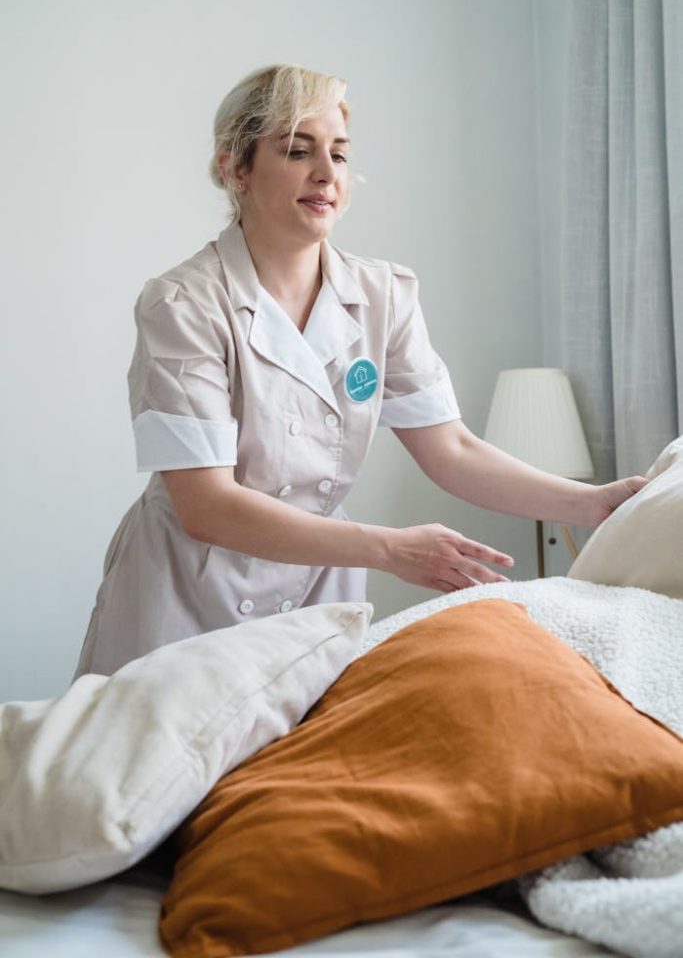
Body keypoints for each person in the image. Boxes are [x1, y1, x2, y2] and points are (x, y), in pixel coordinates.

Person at [73, 63, 645, 678]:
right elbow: (206, 506)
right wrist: (389, 549)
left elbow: (451, 449)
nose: (325, 174)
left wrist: (594, 505)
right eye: (297, 150)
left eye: (339, 155)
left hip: (317, 593)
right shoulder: (184, 305)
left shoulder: (383, 294)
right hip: (188, 598)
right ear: (234, 169)